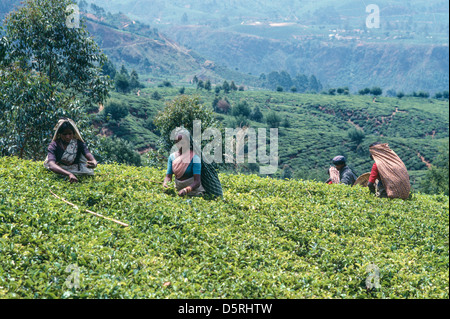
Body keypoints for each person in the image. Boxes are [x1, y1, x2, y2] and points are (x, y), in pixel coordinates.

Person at [44, 118, 97, 183]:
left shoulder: (78, 143)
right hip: (59, 170)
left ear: (73, 134)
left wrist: (94, 162)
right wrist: (69, 174)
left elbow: (87, 153)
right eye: (64, 134)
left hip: (76, 170)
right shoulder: (54, 145)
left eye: (70, 134)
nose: (67, 137)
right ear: (59, 134)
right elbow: (51, 165)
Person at [163, 130, 205, 197]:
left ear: (188, 142)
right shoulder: (172, 157)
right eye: (177, 142)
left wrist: (186, 190)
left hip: (194, 192)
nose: (180, 145)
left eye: (183, 142)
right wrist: (166, 183)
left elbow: (197, 182)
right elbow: (168, 176)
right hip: (178, 191)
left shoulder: (194, 158)